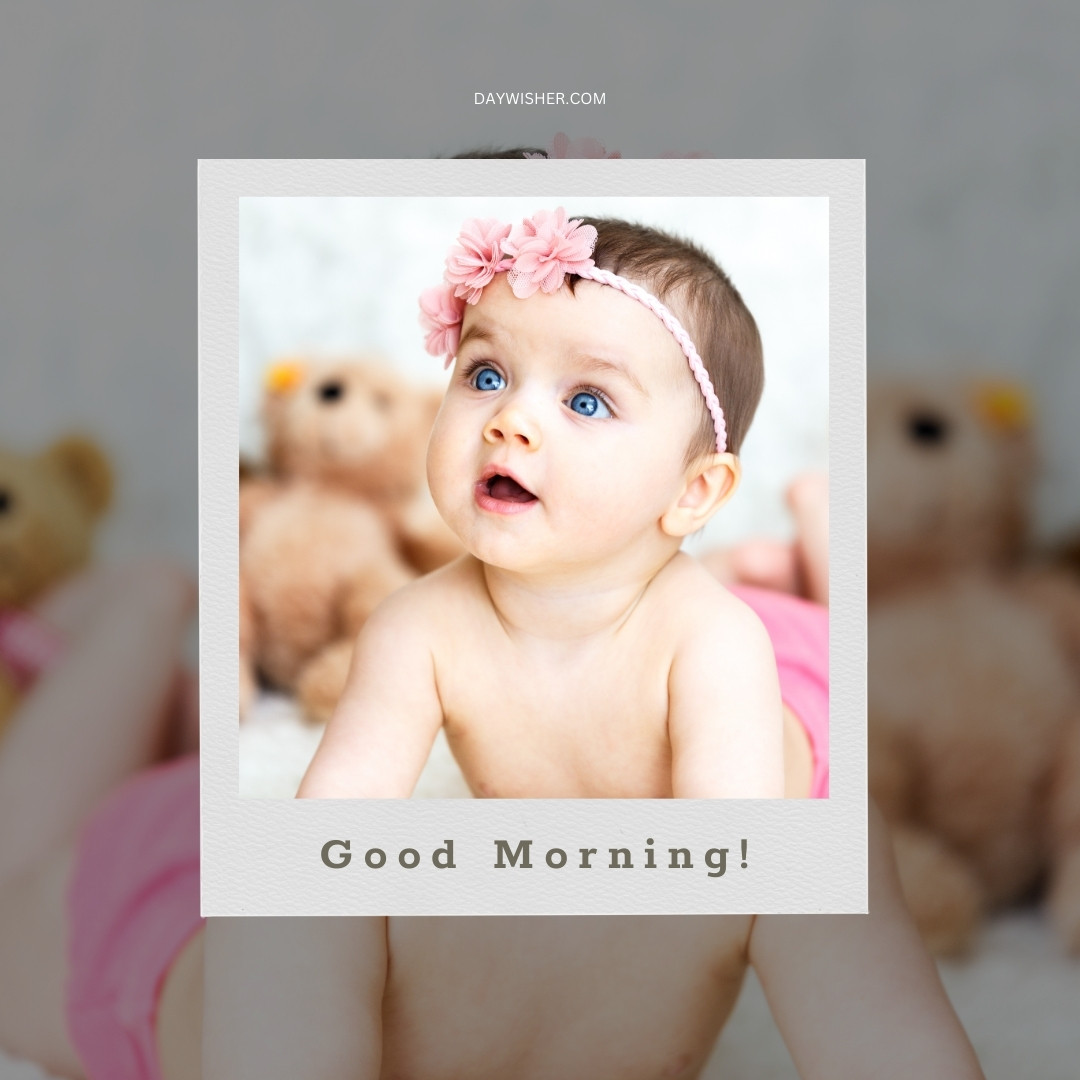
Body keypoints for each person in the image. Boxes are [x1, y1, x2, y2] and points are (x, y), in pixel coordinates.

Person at [297, 208, 828, 799]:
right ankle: (755, 566)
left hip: (808, 694)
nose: (510, 420)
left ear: (692, 490)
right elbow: (332, 830)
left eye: (587, 401)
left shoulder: (716, 644)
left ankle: (820, 529)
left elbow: (734, 872)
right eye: (487, 376)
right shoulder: (414, 630)